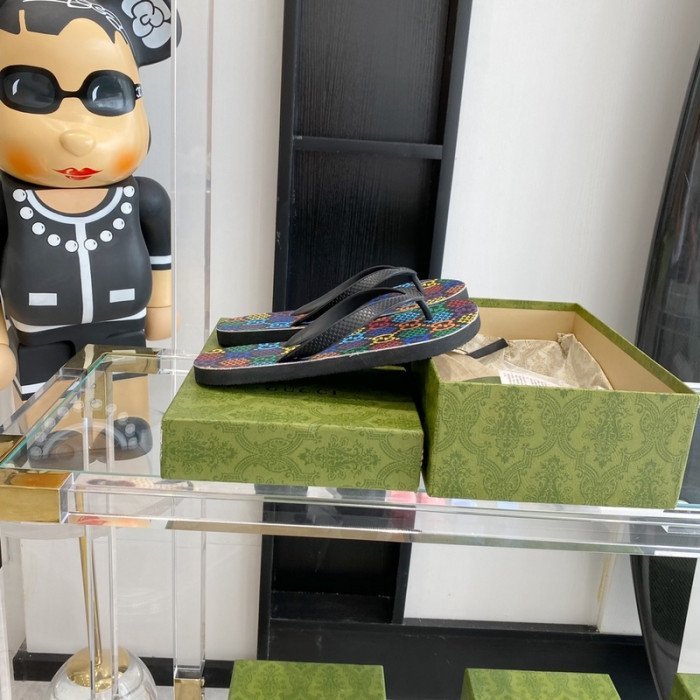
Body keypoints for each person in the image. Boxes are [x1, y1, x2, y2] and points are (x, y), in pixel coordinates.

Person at [0, 0, 174, 400]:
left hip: (124, 326)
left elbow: (161, 262)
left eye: (107, 93)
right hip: (40, 337)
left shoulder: (145, 198)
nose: (76, 137)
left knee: (127, 410)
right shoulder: (7, 203)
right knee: (44, 420)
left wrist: (161, 307)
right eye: (31, 91)